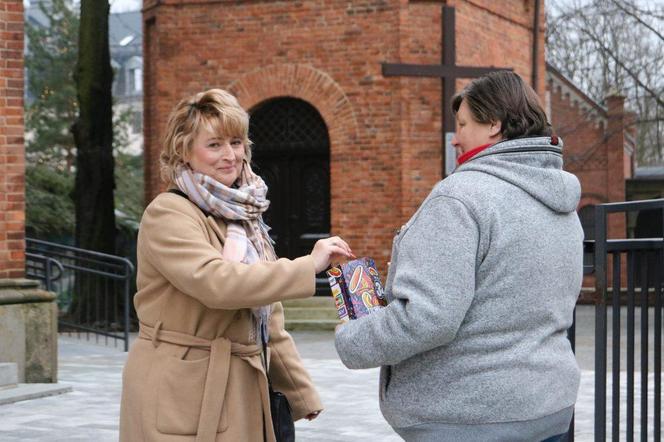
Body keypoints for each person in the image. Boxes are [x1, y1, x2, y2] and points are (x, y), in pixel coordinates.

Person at [334, 71, 583, 442]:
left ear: (494, 125)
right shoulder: (558, 199)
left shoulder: (460, 198)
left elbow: (427, 317)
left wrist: (352, 336)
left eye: (464, 124)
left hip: (469, 418)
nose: (456, 138)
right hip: (548, 409)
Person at [120, 88, 353, 442]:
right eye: (214, 145)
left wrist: (299, 392)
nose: (230, 155)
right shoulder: (168, 213)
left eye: (236, 142)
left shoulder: (245, 218)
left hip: (242, 384)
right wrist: (308, 266)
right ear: (183, 150)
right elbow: (219, 284)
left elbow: (266, 317)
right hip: (182, 391)